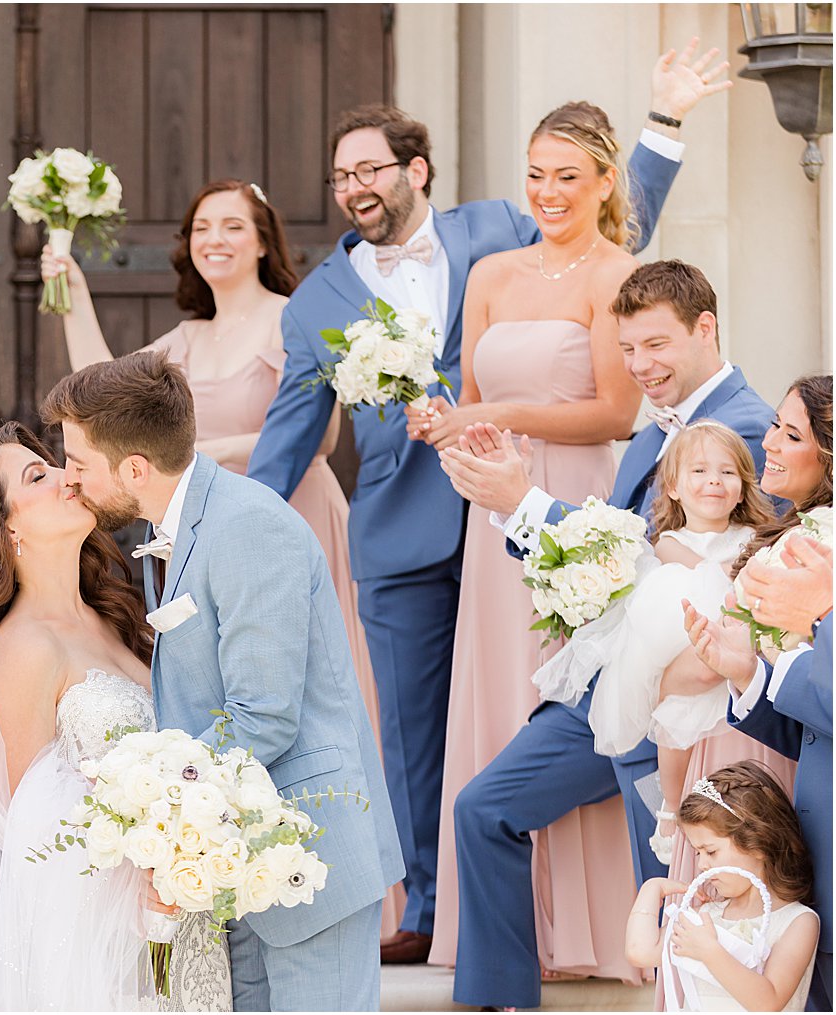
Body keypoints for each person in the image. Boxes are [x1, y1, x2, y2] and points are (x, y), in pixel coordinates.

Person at [247, 41, 728, 962]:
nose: (355, 185)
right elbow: (288, 434)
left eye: (370, 168)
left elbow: (609, 228)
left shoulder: (498, 229)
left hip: (527, 508)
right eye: (340, 174)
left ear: (413, 169)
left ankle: (587, 903)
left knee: (560, 705)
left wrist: (663, 122)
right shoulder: (314, 304)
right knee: (421, 733)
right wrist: (215, 526)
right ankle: (433, 910)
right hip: (407, 529)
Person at [37, 176, 403, 928]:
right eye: (203, 226)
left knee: (298, 696)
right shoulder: (188, 337)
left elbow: (320, 437)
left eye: (233, 226)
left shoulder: (289, 318)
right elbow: (106, 400)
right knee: (225, 688)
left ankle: (329, 876)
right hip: (193, 523)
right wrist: (70, 291)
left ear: (264, 239)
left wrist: (196, 454)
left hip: (283, 513)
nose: (216, 239)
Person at [438, 260, 773, 1010]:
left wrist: (522, 503)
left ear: (706, 329)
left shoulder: (744, 427)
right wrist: (515, 503)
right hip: (604, 686)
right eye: (627, 351)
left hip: (679, 702)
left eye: (656, 345)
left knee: (670, 878)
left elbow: (672, 571)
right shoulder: (659, 430)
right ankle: (499, 998)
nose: (640, 367)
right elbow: (624, 548)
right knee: (483, 807)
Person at [42, 351, 403, 1011]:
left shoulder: (247, 526)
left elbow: (263, 713)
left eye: (79, 463)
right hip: (242, 864)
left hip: (303, 857)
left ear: (134, 469)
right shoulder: (180, 527)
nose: (70, 479)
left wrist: (160, 811)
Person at [0, 421, 225, 1010]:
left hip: (180, 907)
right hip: (108, 934)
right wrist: (138, 863)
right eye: (39, 475)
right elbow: (23, 821)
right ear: (6, 528)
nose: (68, 476)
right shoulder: (24, 647)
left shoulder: (116, 616)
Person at [421, 100, 645, 982]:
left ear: (602, 184)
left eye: (567, 176)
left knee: (566, 687)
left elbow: (617, 413)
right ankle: (503, 930)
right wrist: (446, 423)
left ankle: (586, 926)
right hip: (491, 513)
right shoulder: (489, 273)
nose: (547, 192)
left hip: (575, 505)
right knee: (498, 686)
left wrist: (494, 413)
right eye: (535, 174)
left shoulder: (619, 274)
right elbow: (470, 391)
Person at [682, 374, 834, 1011]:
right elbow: (814, 725)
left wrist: (819, 620)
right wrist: (746, 672)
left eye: (791, 432)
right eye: (775, 424)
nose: (768, 442)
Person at [624, 762, 819, 1011]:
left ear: (758, 844)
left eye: (711, 851)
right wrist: (651, 889)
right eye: (697, 853)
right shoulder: (708, 915)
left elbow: (768, 1001)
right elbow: (641, 952)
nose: (702, 865)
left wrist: (710, 951)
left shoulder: (798, 922)